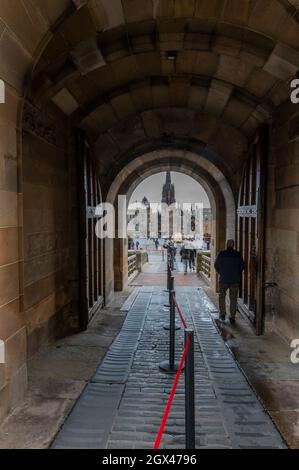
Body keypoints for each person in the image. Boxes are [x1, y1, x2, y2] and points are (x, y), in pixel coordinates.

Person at [214, 240, 245, 324]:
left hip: (223, 279)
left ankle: (223, 314)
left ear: (226, 245)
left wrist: (221, 272)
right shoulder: (237, 254)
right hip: (234, 279)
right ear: (233, 245)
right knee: (233, 298)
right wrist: (236, 273)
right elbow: (242, 266)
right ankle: (232, 316)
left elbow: (216, 265)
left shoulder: (221, 254)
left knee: (222, 296)